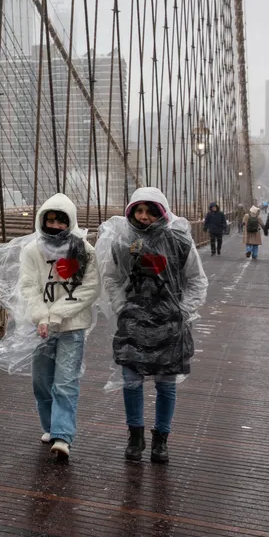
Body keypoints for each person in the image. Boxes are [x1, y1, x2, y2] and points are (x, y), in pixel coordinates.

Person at [101, 188, 205, 464]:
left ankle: (161, 440)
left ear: (162, 212)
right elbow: (111, 278)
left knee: (166, 384)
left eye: (150, 211)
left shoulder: (179, 240)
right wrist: (122, 306)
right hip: (133, 320)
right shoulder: (123, 241)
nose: (144, 217)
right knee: (131, 381)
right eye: (139, 210)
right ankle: (135, 437)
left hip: (169, 321)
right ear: (131, 212)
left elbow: (196, 280)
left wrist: (182, 310)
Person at [18, 194, 100, 461]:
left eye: (60, 220)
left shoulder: (83, 251)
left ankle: (63, 435)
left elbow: (89, 288)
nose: (54, 225)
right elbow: (29, 288)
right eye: (49, 220)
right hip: (41, 327)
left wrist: (56, 314)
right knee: (41, 381)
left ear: (70, 222)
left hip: (72, 327)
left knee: (65, 381)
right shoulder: (33, 251)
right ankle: (50, 426)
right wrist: (41, 316)